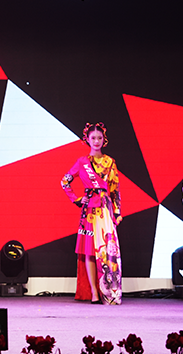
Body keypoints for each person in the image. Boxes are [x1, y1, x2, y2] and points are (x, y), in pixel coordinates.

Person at [60, 122, 122, 304]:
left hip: (105, 209)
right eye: (93, 138)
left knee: (107, 251)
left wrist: (117, 212)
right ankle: (94, 292)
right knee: (89, 252)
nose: (96, 141)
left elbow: (115, 189)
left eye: (99, 138)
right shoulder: (82, 162)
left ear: (104, 140)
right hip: (89, 212)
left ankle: (109, 292)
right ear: (87, 139)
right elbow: (64, 181)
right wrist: (77, 199)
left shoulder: (110, 162)